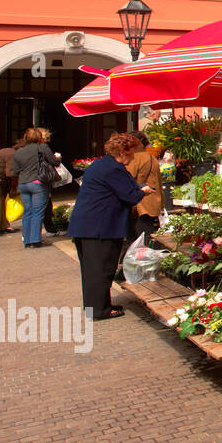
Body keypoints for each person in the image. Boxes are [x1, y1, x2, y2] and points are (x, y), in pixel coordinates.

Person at [67, 133, 153, 319]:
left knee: (91, 270)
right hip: (99, 227)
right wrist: (143, 191)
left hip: (87, 225)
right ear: (122, 152)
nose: (132, 157)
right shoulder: (113, 169)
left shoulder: (101, 165)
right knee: (102, 269)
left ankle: (95, 306)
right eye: (131, 153)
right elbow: (130, 195)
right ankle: (99, 310)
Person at [13, 127, 61, 248]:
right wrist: (58, 158)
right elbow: (54, 162)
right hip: (37, 183)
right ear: (39, 137)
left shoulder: (19, 151)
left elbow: (16, 170)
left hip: (23, 183)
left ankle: (27, 240)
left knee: (27, 212)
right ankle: (35, 240)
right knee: (38, 212)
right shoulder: (42, 148)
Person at [125, 131, 164, 243]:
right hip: (152, 203)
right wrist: (161, 205)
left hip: (140, 205)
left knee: (136, 241)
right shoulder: (152, 158)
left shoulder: (135, 158)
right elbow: (159, 184)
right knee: (145, 238)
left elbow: (127, 179)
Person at [0, 144, 16, 237]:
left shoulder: (7, 151)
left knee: (0, 201)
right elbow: (11, 172)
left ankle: (3, 226)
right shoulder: (12, 154)